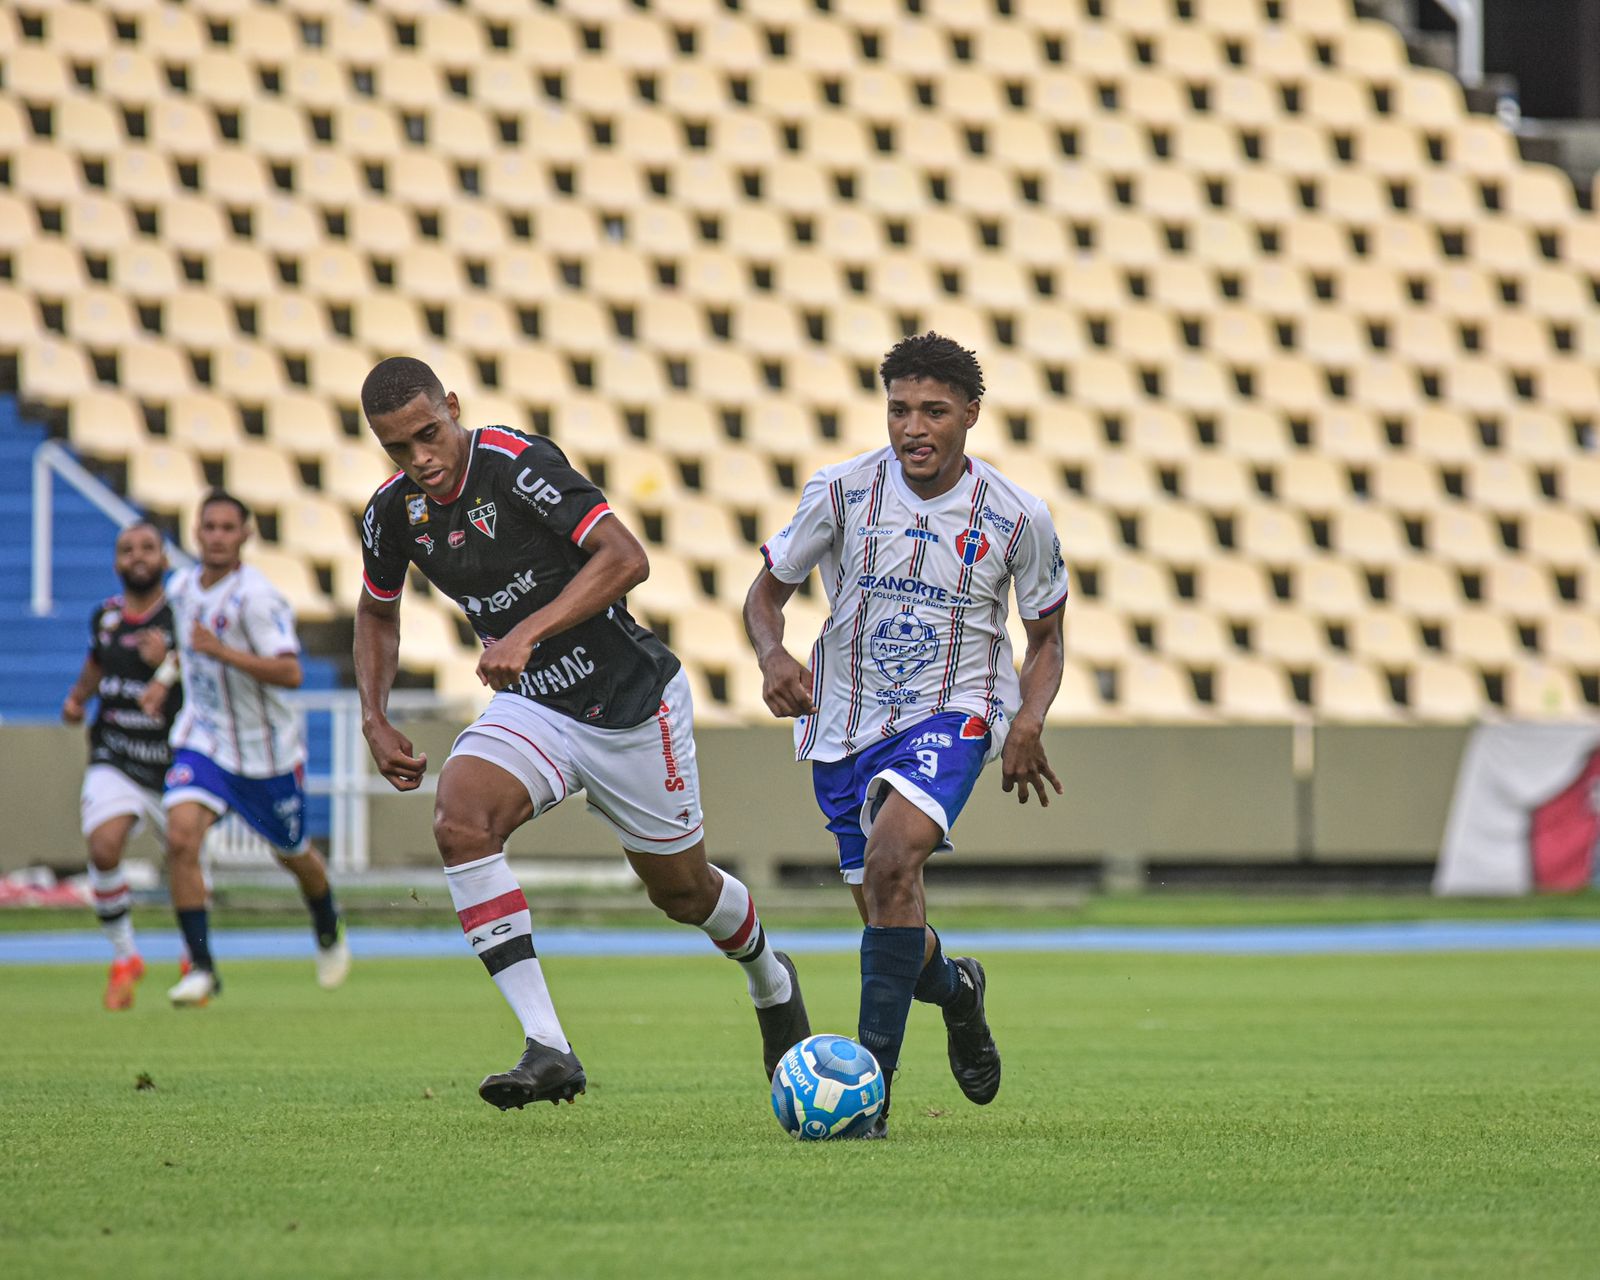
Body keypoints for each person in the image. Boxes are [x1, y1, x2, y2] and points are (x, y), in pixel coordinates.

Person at [354, 355, 810, 1111]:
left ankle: (772, 978)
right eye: (397, 448)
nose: (420, 459)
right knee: (460, 819)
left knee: (682, 892)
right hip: (536, 707)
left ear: (454, 407)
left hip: (633, 705)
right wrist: (374, 713)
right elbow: (376, 610)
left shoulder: (517, 464)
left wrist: (527, 631)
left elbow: (627, 558)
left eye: (429, 434)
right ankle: (549, 1047)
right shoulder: (391, 513)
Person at [744, 332, 1066, 1138]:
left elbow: (1048, 638)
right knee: (890, 916)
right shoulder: (842, 492)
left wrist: (1027, 717)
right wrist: (773, 653)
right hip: (845, 722)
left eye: (933, 411)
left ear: (971, 415)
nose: (913, 427)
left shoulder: (1017, 515)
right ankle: (958, 993)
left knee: (894, 860)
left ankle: (868, 1095)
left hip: (955, 710)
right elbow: (765, 595)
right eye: (898, 410)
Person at [140, 490, 350, 1005]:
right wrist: (165, 677)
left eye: (227, 528)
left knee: (293, 854)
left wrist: (222, 651)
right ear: (195, 532)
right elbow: (188, 649)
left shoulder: (257, 599)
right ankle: (203, 968)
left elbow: (291, 671)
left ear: (246, 535)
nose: (216, 537)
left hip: (265, 754)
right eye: (208, 527)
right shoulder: (183, 585)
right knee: (182, 838)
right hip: (204, 739)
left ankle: (325, 921)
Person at [61, 521, 182, 1010]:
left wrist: (166, 664)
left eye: (147, 548)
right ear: (116, 562)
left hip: (172, 764)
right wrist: (77, 698)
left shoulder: (180, 618)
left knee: (186, 863)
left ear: (164, 560)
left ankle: (195, 956)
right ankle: (125, 956)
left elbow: (204, 686)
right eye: (127, 548)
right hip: (116, 755)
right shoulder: (106, 617)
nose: (137, 556)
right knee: (104, 846)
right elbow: (96, 661)